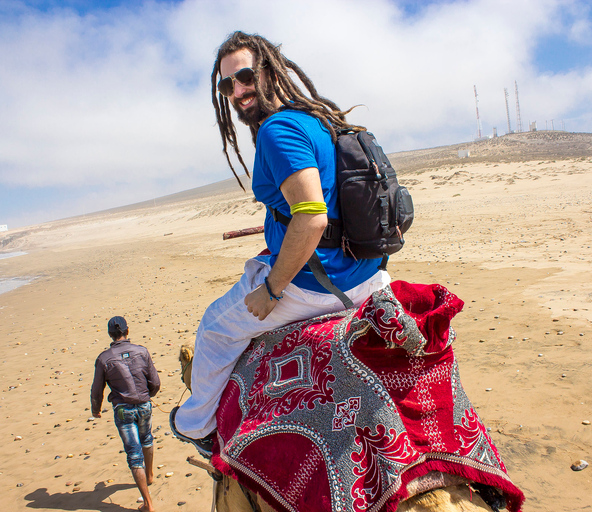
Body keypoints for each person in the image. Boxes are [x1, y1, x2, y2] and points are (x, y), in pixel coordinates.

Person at [169, 31, 390, 457]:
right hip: (365, 271)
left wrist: (271, 292)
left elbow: (310, 216)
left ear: (269, 72)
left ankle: (196, 426)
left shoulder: (277, 130)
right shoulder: (315, 118)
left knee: (215, 327)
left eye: (245, 77)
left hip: (316, 283)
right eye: (226, 85)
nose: (237, 91)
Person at [91, 316, 160, 512]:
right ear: (127, 331)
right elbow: (155, 381)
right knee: (147, 438)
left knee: (133, 454)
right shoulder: (141, 351)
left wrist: (95, 409)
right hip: (144, 404)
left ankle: (148, 504)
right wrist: (148, 396)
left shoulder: (103, 358)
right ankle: (150, 475)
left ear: (110, 335)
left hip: (123, 409)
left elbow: (97, 389)